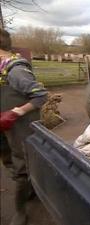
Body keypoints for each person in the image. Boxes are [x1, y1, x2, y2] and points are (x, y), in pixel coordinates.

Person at [0, 29, 48, 225]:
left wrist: (15, 112)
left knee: (21, 165)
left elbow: (40, 95)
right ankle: (29, 188)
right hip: (4, 129)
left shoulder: (16, 69)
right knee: (9, 160)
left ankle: (20, 210)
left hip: (18, 126)